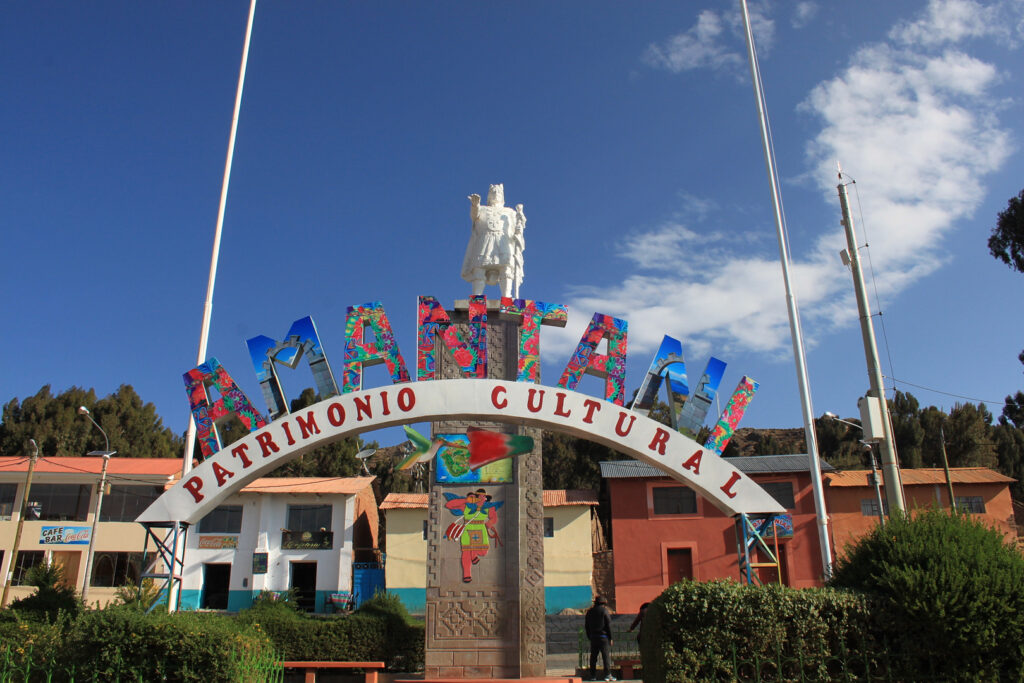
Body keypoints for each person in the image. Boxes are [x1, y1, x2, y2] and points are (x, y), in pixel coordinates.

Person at [585, 595, 615, 681]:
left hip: (593, 637)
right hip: (603, 637)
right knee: (606, 657)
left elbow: (586, 626)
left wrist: (589, 636)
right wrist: (611, 637)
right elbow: (608, 625)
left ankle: (593, 676)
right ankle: (607, 675)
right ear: (603, 603)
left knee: (593, 657)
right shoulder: (604, 611)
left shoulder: (589, 612)